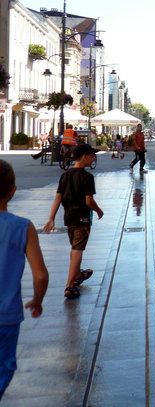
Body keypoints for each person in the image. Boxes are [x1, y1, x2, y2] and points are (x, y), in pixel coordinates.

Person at [0, 160, 48, 400]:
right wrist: (37, 300)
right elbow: (40, 274)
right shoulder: (22, 227)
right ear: (12, 191)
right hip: (6, 317)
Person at [43, 144, 104, 300]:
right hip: (82, 217)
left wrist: (51, 218)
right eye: (91, 156)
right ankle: (70, 285)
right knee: (78, 249)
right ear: (83, 157)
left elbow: (58, 197)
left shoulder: (66, 175)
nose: (93, 158)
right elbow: (89, 200)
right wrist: (98, 210)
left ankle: (77, 274)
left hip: (68, 217)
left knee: (74, 247)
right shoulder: (87, 177)